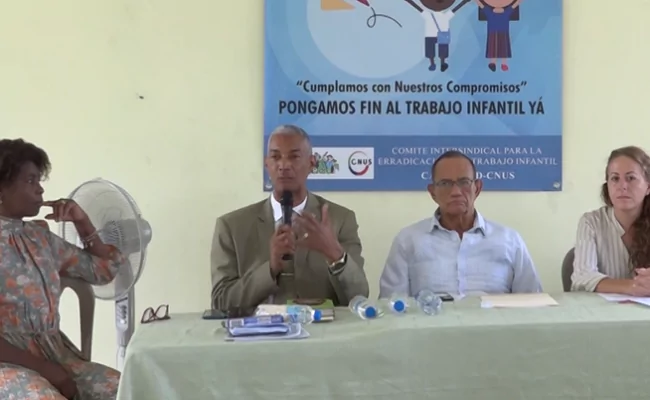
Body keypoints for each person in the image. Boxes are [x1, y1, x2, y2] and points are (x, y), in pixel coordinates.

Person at [0, 139, 127, 399]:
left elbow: (102, 270)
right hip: (8, 363)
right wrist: (47, 370)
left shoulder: (40, 238)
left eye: (39, 180)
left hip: (57, 356)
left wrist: (82, 222)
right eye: (30, 180)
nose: (40, 189)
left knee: (128, 390)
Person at [210, 125, 369, 311]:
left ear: (312, 163)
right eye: (275, 157)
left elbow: (359, 296)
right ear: (267, 164)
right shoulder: (232, 227)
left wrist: (335, 255)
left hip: (322, 328)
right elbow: (220, 303)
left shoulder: (340, 220)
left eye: (294, 157)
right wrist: (270, 268)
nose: (284, 165)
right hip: (261, 330)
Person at [379, 150, 541, 298]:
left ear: (477, 188)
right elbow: (391, 305)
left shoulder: (510, 241)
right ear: (432, 192)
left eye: (464, 182)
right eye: (445, 184)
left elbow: (534, 303)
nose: (456, 192)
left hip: (495, 321)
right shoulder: (408, 241)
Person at [571, 146, 650, 295]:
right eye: (615, 178)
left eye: (631, 178)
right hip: (602, 309)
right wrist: (632, 286)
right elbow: (582, 277)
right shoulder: (591, 222)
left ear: (648, 187)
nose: (622, 186)